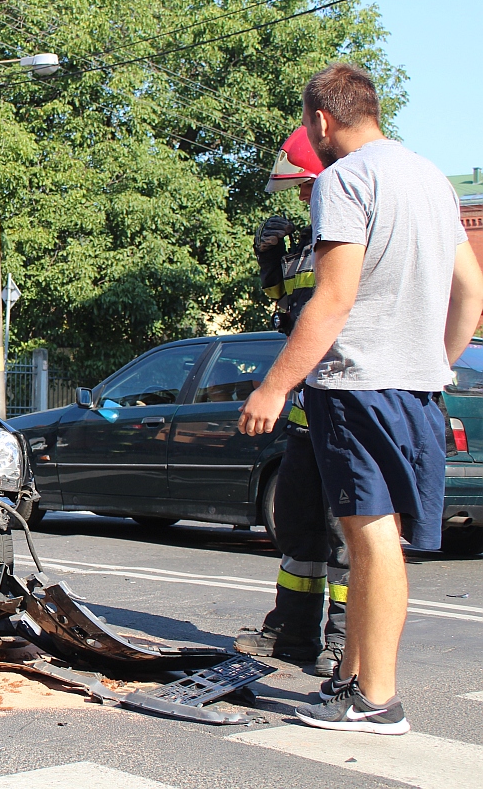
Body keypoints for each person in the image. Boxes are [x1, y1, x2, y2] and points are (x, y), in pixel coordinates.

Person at [239, 63, 483, 735]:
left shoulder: (345, 179)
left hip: (357, 385)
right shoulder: (431, 177)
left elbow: (335, 299)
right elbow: (471, 292)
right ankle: (351, 681)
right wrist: (435, 360)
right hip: (414, 387)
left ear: (321, 121)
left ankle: (377, 699)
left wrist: (275, 384)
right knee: (383, 541)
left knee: (371, 543)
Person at [234, 127, 348, 677]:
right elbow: (289, 319)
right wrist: (270, 265)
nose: (302, 199)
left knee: (345, 532)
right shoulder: (311, 244)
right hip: (307, 416)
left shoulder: (353, 238)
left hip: (347, 412)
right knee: (299, 529)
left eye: (307, 188)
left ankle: (345, 640)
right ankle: (294, 632)